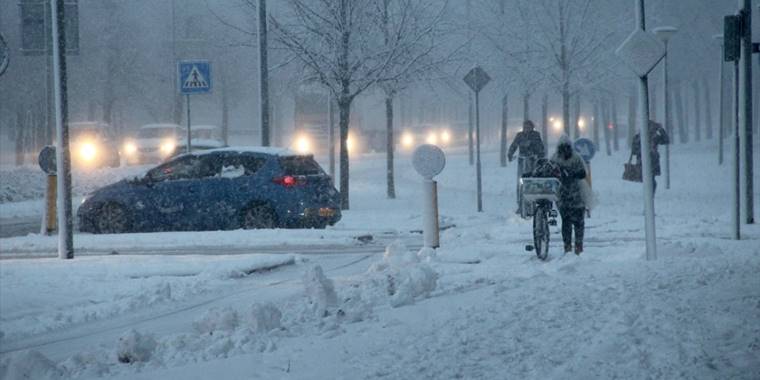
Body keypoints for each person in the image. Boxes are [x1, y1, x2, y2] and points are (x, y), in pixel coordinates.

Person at [551, 135, 587, 255]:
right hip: (564, 195)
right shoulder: (555, 158)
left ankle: (577, 246)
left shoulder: (576, 158)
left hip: (576, 194)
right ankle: (568, 246)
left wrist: (571, 174)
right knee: (567, 222)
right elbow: (550, 172)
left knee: (577, 222)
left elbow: (583, 173)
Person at [508, 120, 546, 214]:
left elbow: (540, 147)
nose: (526, 129)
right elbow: (514, 145)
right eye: (525, 127)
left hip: (533, 162)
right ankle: (520, 204)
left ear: (532, 127)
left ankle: (534, 202)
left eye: (528, 127)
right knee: (520, 182)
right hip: (522, 162)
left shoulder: (536, 135)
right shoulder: (519, 135)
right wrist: (510, 153)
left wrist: (537, 153)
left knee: (533, 181)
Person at [631, 120, 669, 194]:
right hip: (651, 162)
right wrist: (660, 129)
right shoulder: (653, 137)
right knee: (651, 180)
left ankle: (648, 195)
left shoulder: (638, 137)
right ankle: (649, 195)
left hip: (645, 162)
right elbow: (665, 140)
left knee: (649, 180)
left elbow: (634, 151)